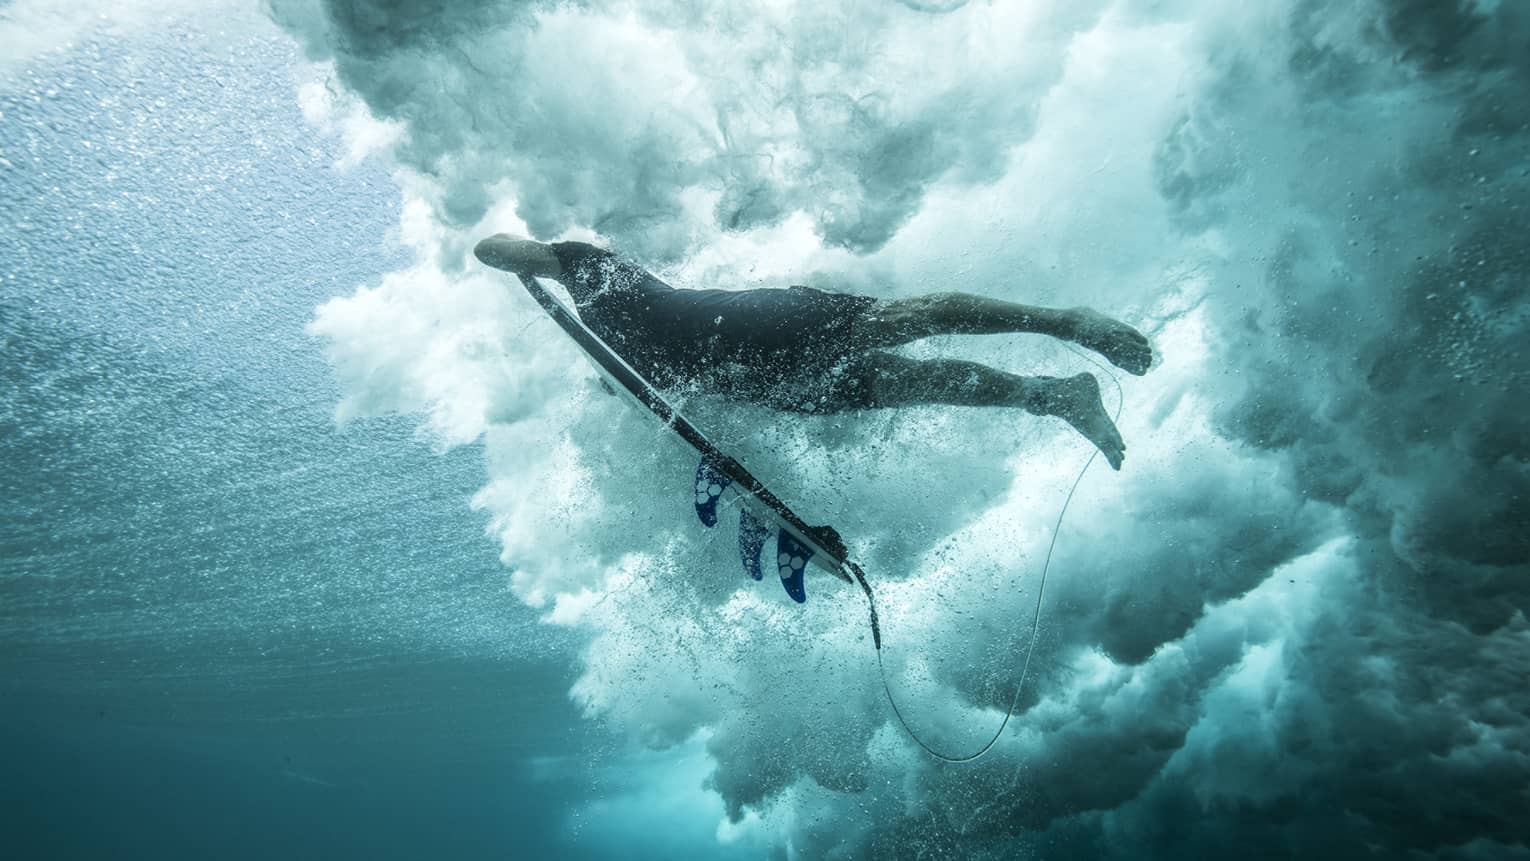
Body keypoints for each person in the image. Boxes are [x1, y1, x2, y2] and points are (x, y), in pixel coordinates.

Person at [474, 234, 1151, 469]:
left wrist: (529, 263)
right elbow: (656, 393)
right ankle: (1055, 397)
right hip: (772, 387)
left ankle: (1068, 322)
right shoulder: (613, 356)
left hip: (756, 326)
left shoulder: (593, 270)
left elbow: (492, 249)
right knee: (919, 383)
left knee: (909, 319)